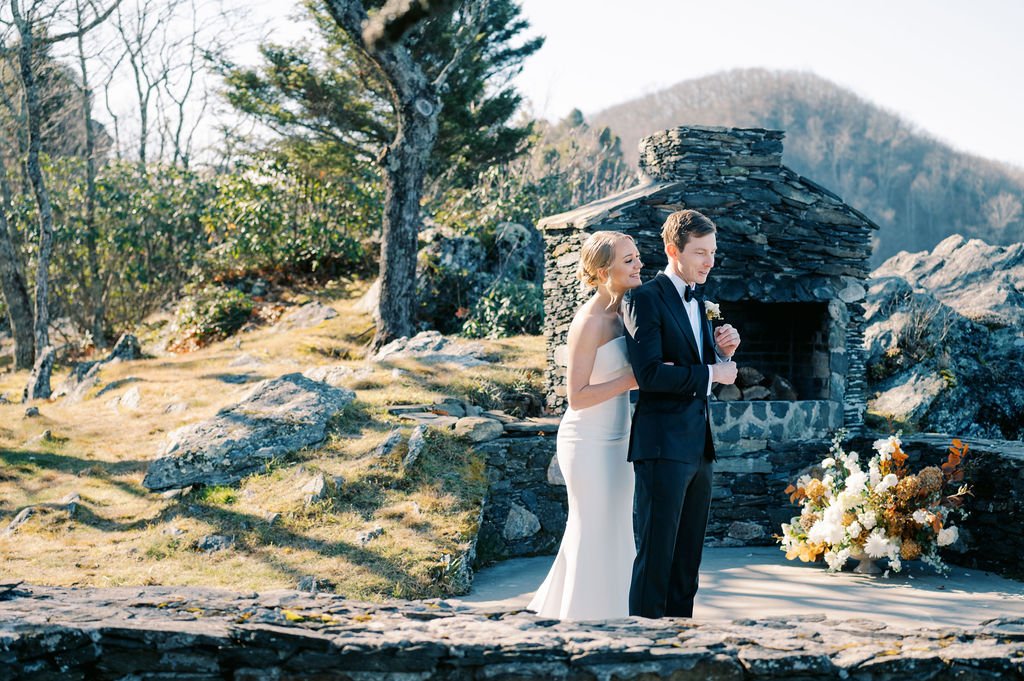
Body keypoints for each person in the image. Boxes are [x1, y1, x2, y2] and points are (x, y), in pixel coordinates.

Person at [623, 209, 741, 619]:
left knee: (687, 566)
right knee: (655, 559)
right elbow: (651, 375)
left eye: (713, 252)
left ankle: (680, 650)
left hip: (700, 446)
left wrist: (722, 351)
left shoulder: (706, 303)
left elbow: (695, 367)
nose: (710, 262)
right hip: (662, 446)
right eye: (700, 253)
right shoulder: (642, 299)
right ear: (673, 250)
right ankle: (641, 652)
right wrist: (713, 371)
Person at [527, 231, 643, 620]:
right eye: (628, 260)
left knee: (617, 526)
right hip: (587, 440)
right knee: (592, 526)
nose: (638, 264)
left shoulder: (630, 310)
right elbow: (576, 396)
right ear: (602, 270)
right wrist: (630, 380)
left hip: (621, 437)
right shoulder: (589, 321)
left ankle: (619, 613)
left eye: (637, 257)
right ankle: (580, 617)